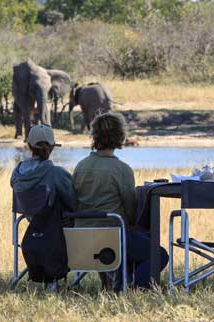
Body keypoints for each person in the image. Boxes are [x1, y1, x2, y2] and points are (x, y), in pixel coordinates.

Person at [72, 111, 168, 291]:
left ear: (94, 136)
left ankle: (112, 282)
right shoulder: (122, 169)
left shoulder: (80, 166)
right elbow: (131, 213)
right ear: (120, 136)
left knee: (134, 240)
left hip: (80, 239)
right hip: (111, 240)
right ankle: (137, 286)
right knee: (159, 254)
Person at [10, 124, 76, 291]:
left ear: (29, 146)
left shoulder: (17, 173)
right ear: (52, 148)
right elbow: (74, 202)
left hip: (31, 223)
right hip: (58, 228)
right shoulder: (56, 173)